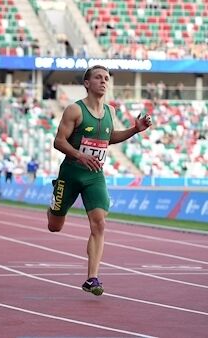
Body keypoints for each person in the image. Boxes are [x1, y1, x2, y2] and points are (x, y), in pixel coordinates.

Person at [47, 65, 152, 296]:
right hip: (71, 173)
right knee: (55, 226)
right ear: (87, 83)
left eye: (106, 78)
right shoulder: (75, 110)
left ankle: (91, 278)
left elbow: (109, 137)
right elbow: (59, 141)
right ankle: (56, 195)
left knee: (99, 223)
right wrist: (79, 155)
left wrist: (135, 129)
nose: (103, 81)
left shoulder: (110, 112)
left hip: (95, 175)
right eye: (98, 77)